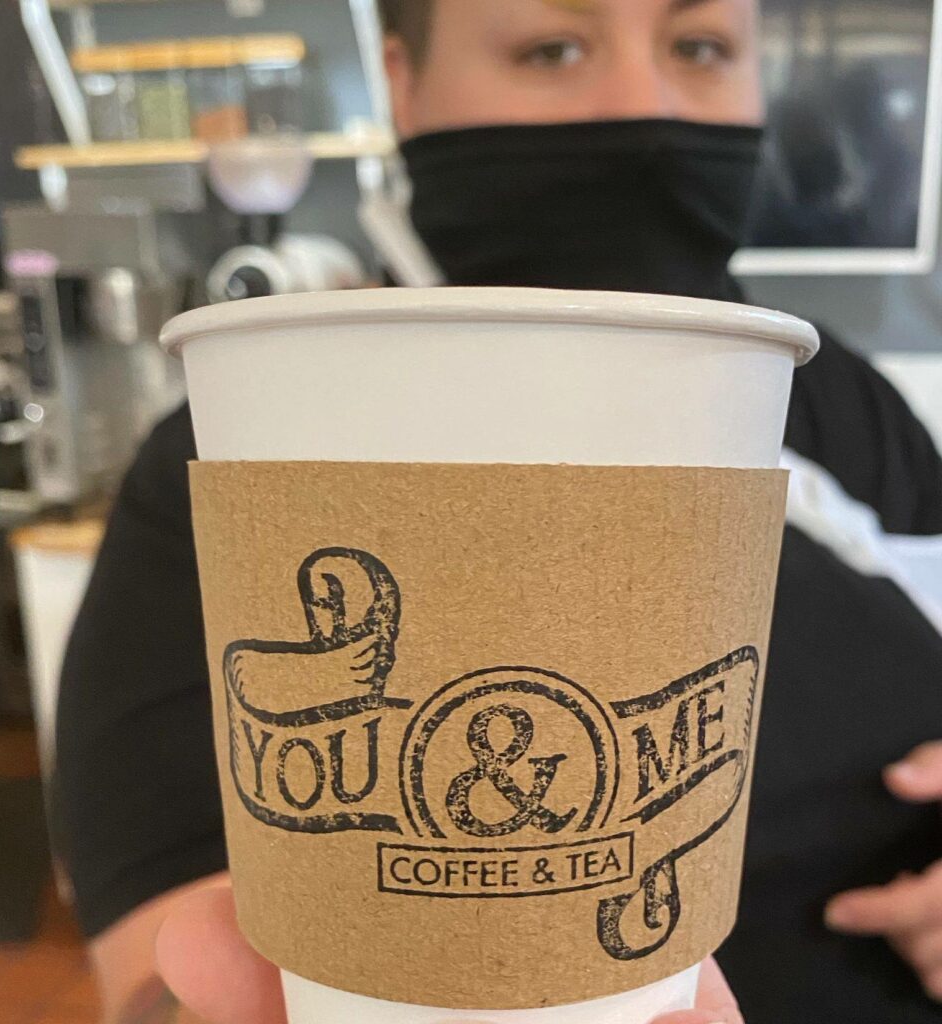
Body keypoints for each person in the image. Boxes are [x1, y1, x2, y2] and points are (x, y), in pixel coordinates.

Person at [54, 1, 942, 1022]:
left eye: (699, 47)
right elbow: (154, 972)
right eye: (550, 47)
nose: (639, 105)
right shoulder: (234, 452)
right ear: (402, 81)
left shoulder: (854, 407)